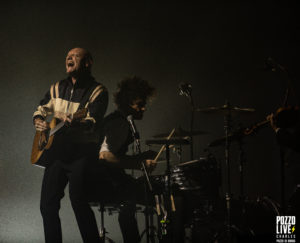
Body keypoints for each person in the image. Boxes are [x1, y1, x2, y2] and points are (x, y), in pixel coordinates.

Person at [33, 47, 108, 243]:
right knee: (47, 205)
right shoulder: (56, 87)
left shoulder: (98, 91)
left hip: (81, 154)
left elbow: (93, 120)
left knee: (79, 203)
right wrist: (39, 121)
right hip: (57, 154)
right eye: (67, 55)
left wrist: (75, 120)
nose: (69, 57)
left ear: (87, 63)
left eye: (75, 56)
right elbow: (41, 108)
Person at [90, 76, 157, 243]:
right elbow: (105, 156)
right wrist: (139, 163)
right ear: (128, 104)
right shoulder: (120, 124)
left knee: (131, 195)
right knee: (155, 193)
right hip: (104, 182)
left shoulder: (115, 120)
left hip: (101, 179)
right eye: (140, 104)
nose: (143, 109)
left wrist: (140, 158)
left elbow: (113, 154)